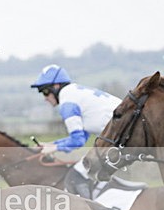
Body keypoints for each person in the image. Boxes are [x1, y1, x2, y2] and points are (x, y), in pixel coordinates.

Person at [31, 64, 122, 198]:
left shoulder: (67, 103)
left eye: (45, 91)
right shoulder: (74, 93)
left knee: (76, 176)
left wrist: (54, 148)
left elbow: (77, 141)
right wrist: (52, 144)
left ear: (56, 87)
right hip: (120, 136)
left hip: (121, 137)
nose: (45, 98)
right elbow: (82, 136)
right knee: (85, 170)